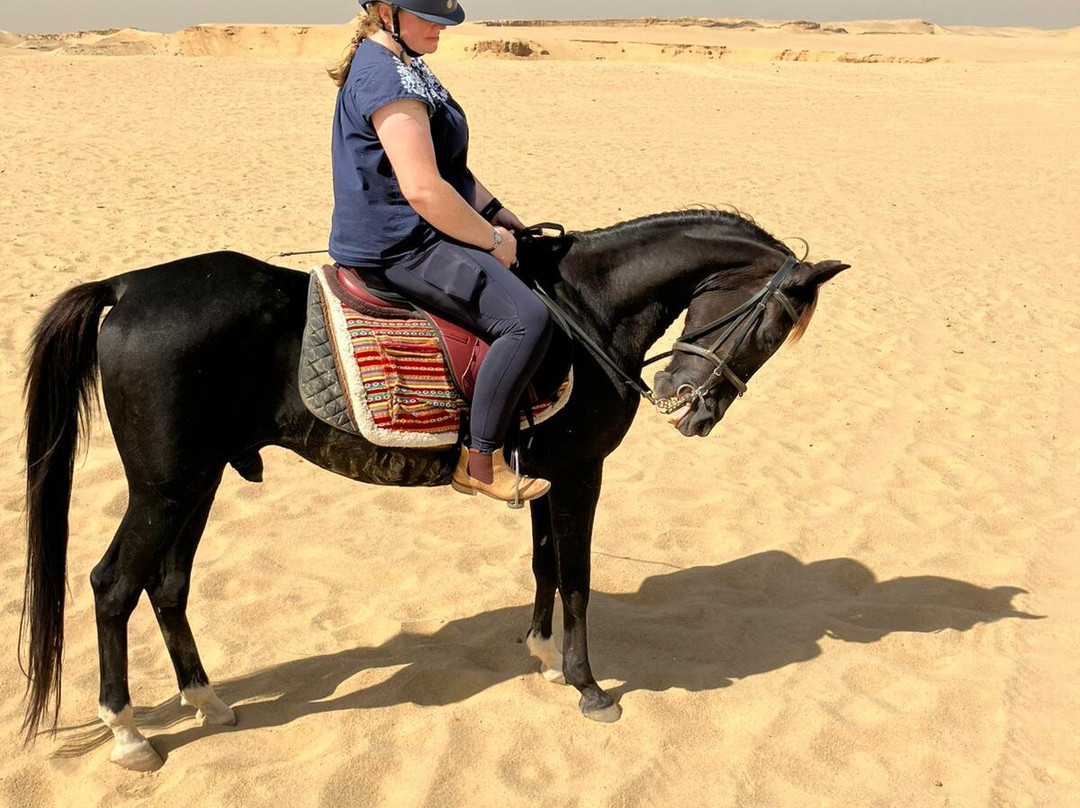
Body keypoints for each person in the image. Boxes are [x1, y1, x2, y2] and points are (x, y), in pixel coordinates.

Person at [327, 1, 553, 503]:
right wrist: (492, 242)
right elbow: (425, 190)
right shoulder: (385, 78)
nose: (440, 29)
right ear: (387, 12)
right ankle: (481, 463)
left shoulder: (408, 66)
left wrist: (498, 212)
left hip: (419, 227)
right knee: (527, 320)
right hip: (400, 245)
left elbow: (449, 168)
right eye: (429, 17)